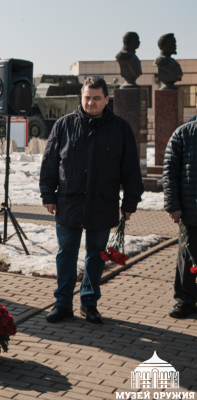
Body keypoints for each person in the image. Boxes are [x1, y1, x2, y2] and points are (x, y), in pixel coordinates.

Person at [40, 77, 144, 325]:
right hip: (69, 202)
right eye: (87, 97)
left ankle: (89, 302)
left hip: (103, 202)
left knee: (96, 255)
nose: (91, 102)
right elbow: (50, 162)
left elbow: (130, 169)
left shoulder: (120, 128)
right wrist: (47, 194)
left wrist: (130, 203)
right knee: (66, 253)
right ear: (81, 97)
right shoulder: (64, 125)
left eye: (97, 98)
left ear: (107, 99)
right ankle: (62, 303)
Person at [163, 117, 197, 318]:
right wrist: (173, 206)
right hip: (191, 211)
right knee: (187, 258)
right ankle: (185, 301)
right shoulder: (183, 134)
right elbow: (170, 173)